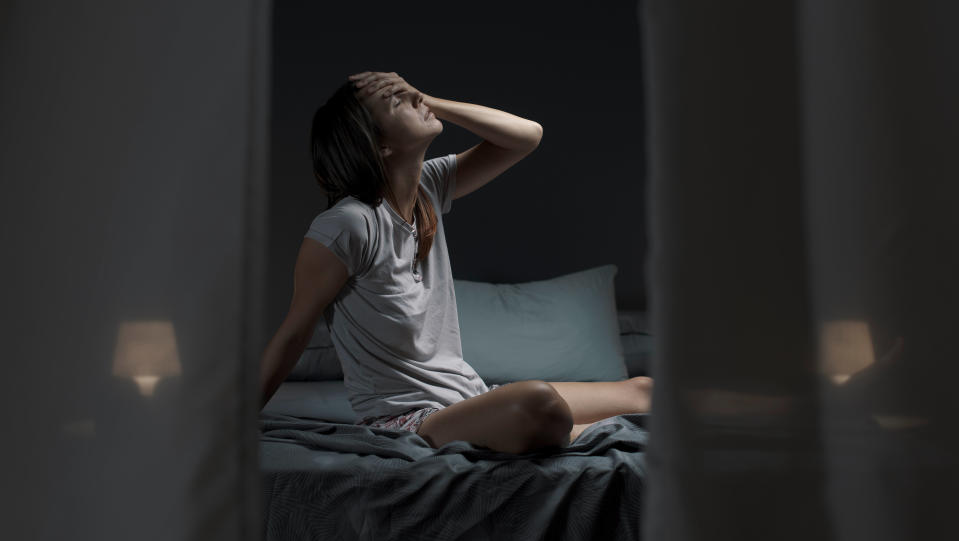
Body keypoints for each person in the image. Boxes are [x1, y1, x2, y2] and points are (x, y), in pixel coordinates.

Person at [259, 71, 653, 454]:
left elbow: (527, 136)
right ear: (380, 146)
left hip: (469, 398)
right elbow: (293, 335)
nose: (416, 98)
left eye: (414, 94)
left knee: (644, 391)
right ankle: (593, 433)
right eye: (399, 101)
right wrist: (235, 421)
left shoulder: (428, 187)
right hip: (410, 420)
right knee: (538, 401)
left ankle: (557, 430)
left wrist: (431, 102)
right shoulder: (346, 226)